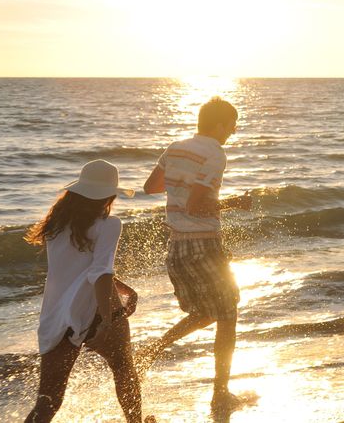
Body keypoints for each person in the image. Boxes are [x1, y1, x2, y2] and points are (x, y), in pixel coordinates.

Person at [139, 96, 250, 413]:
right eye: (231, 124)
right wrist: (234, 203)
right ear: (218, 125)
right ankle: (221, 394)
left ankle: (153, 348)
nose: (233, 130)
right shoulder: (215, 153)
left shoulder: (175, 146)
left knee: (207, 312)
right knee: (228, 315)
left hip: (177, 246)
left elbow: (151, 186)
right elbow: (196, 205)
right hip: (203, 243)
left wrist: (183, 182)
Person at [24, 159, 148, 423]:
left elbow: (82, 272)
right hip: (97, 310)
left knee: (48, 401)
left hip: (59, 316)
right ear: (110, 195)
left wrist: (127, 289)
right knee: (124, 369)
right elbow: (100, 273)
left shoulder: (56, 227)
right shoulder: (110, 224)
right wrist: (106, 319)